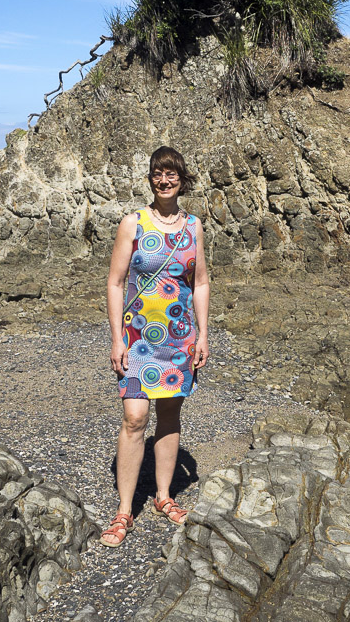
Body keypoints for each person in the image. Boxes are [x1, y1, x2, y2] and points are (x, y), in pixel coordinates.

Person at [100, 146, 209, 547]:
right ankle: (125, 510)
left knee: (169, 413)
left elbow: (199, 283)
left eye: (171, 174)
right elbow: (114, 282)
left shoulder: (193, 226)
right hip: (138, 337)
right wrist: (116, 338)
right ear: (151, 178)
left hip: (179, 337)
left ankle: (164, 497)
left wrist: (203, 334)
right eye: (158, 174)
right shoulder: (133, 223)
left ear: (182, 179)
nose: (164, 180)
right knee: (134, 417)